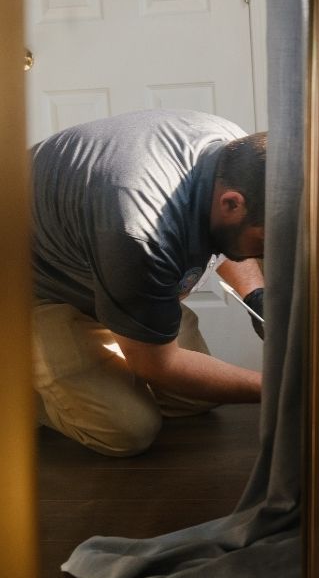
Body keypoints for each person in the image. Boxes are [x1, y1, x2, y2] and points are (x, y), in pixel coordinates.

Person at [31, 109, 268, 457]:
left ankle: (105, 349)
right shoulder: (140, 228)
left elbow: (227, 237)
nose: (266, 254)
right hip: (32, 287)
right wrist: (277, 389)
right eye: (264, 241)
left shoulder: (231, 148)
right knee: (127, 430)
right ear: (232, 203)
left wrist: (256, 296)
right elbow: (158, 365)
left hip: (102, 269)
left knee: (193, 400)